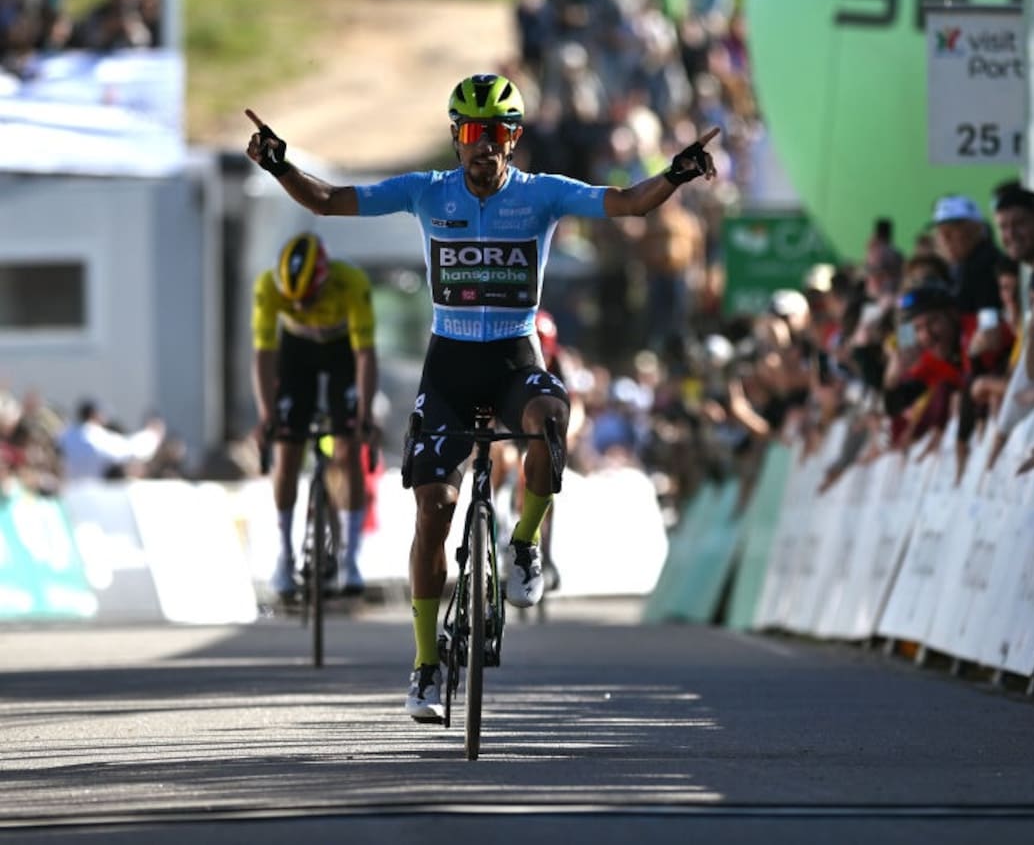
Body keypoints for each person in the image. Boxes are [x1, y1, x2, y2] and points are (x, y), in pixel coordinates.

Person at [244, 72, 718, 722]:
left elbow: (631, 204)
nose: (482, 146)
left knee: (551, 418)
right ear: (455, 138)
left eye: (495, 134)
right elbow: (327, 202)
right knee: (433, 508)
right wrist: (280, 164)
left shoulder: (542, 195)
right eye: (470, 133)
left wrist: (679, 173)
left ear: (514, 140)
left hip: (513, 361)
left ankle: (522, 542)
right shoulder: (425, 193)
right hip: (449, 367)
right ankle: (424, 665)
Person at [251, 232, 379, 599]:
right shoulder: (268, 287)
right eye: (294, 301)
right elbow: (263, 354)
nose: (302, 307)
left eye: (308, 298)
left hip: (343, 352)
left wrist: (366, 413)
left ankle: (350, 559)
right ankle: (284, 556)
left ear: (323, 281)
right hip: (297, 355)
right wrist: (266, 414)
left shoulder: (350, 282)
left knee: (347, 449)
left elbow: (365, 355)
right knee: (287, 451)